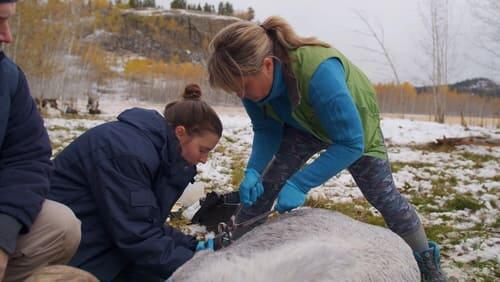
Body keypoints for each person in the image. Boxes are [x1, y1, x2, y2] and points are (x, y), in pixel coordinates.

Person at [207, 16, 446, 282]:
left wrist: (300, 183)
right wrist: (253, 170)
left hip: (354, 129)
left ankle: (427, 264)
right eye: (234, 91)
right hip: (302, 124)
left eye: (243, 87)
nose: (241, 95)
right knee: (267, 183)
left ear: (267, 65)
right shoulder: (251, 85)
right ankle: (233, 249)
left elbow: (350, 142)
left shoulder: (319, 73)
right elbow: (267, 130)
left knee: (384, 197)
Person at [48, 84, 222, 281]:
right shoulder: (126, 153)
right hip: (70, 251)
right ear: (181, 133)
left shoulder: (157, 152)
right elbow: (136, 234)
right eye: (203, 150)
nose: (204, 159)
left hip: (103, 239)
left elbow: (145, 220)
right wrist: (198, 266)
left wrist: (191, 246)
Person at [0, 0, 81, 281]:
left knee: (61, 226)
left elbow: (26, 160)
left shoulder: (7, 77)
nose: (7, 35)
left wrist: (3, 237)